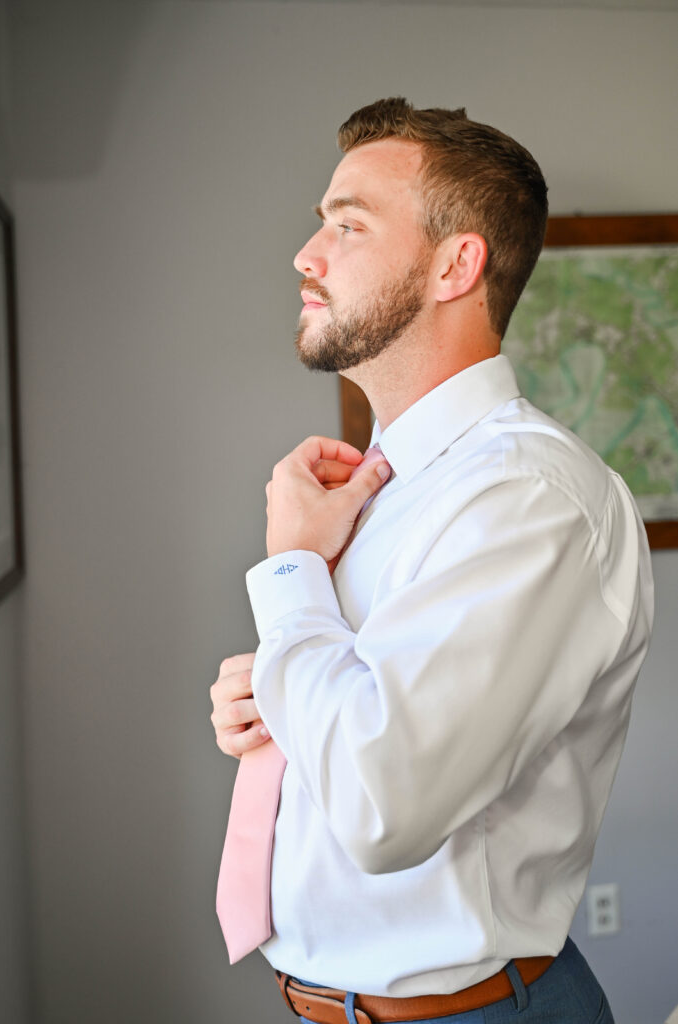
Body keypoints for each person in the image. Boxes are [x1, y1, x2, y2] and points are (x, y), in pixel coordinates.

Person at [210, 98, 654, 1024]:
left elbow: (384, 802)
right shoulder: (389, 491)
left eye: (346, 223)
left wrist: (292, 573)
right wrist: (278, 697)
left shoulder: (529, 497)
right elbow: (376, 717)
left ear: (456, 264)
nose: (306, 253)